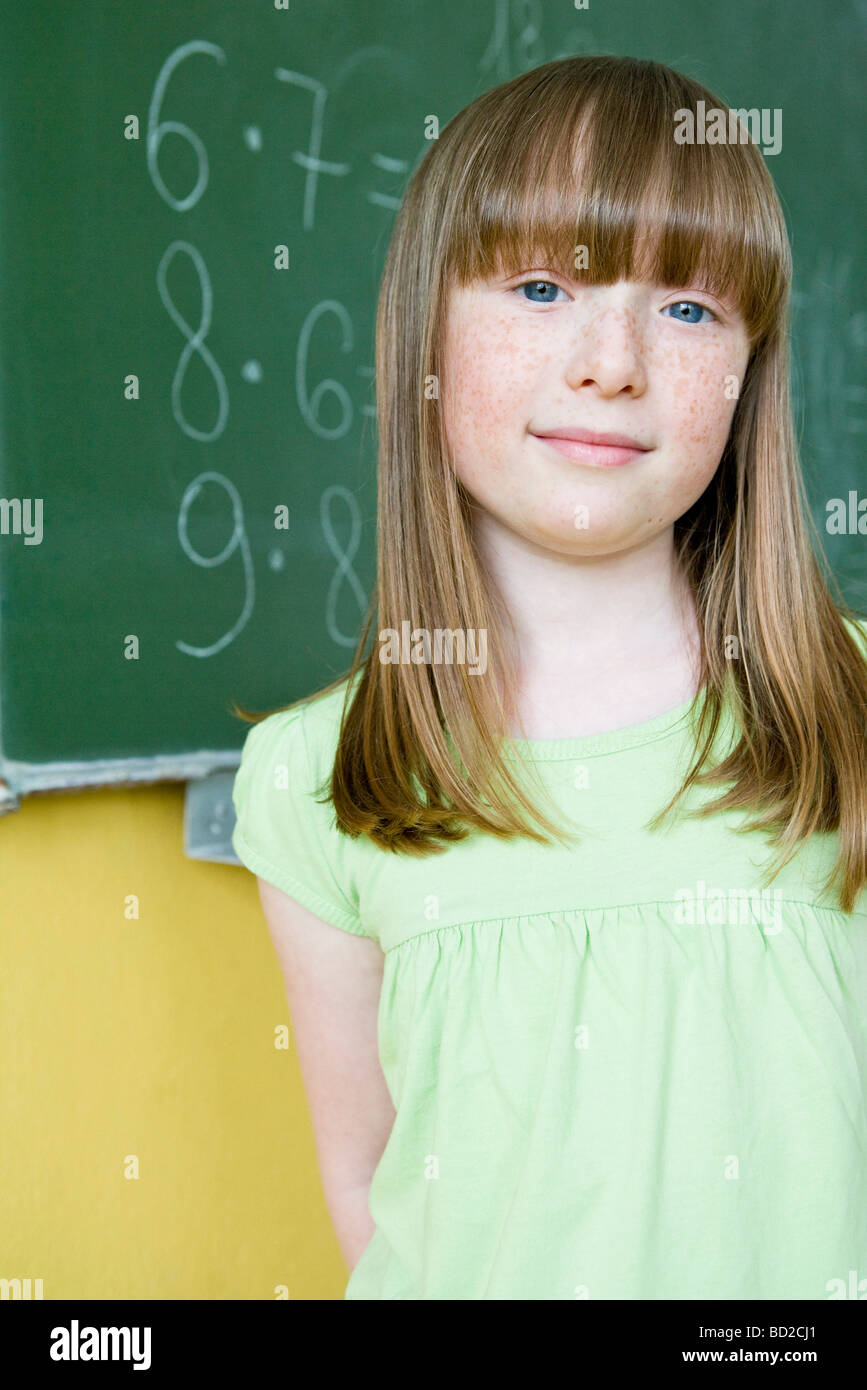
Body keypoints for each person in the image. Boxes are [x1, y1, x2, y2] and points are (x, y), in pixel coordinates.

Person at [231, 54, 867, 1300]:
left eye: (687, 309)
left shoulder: (851, 709)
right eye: (539, 286)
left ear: (748, 378)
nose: (611, 361)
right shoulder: (315, 779)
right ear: (426, 331)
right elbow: (368, 1186)